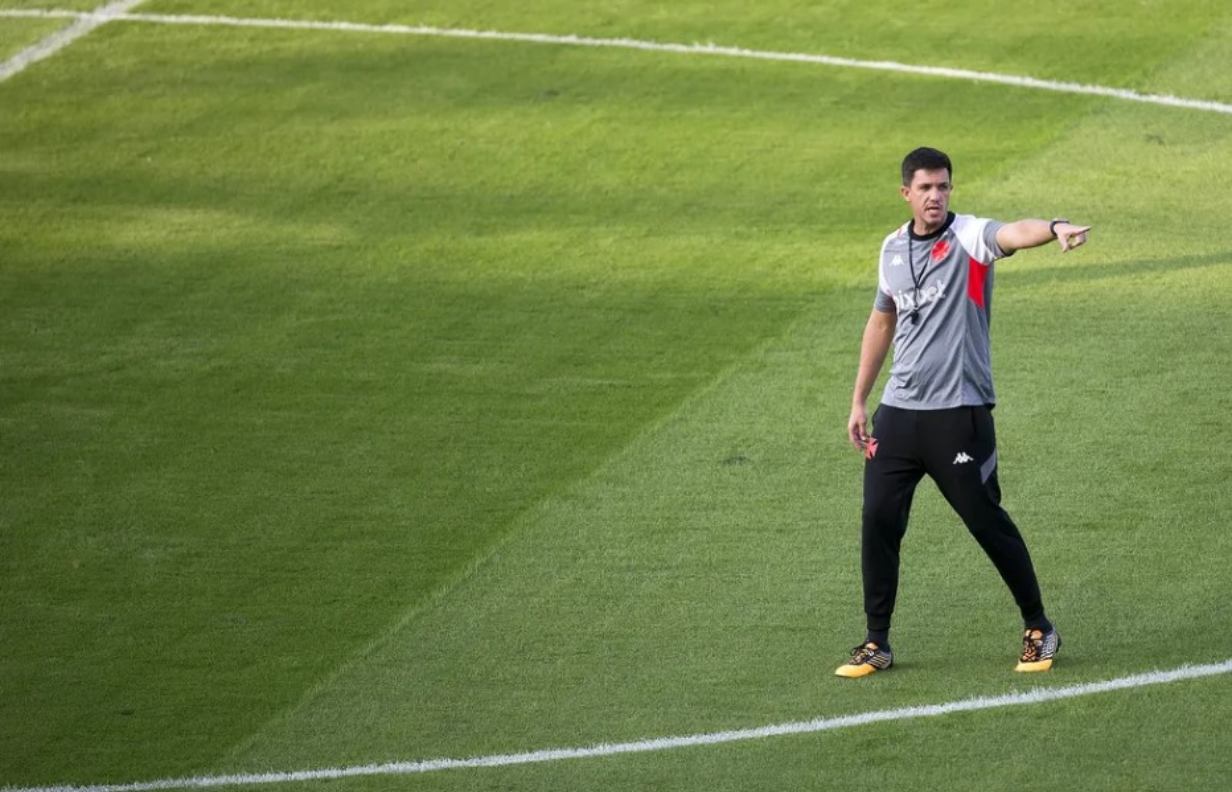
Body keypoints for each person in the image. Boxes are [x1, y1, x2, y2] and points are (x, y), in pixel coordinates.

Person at [835, 147, 1090, 678]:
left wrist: (1054, 225)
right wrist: (861, 399)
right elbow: (881, 321)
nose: (936, 196)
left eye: (943, 187)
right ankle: (875, 641)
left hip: (959, 412)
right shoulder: (891, 248)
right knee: (877, 518)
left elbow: (1012, 232)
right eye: (926, 188)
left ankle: (1039, 626)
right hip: (900, 413)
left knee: (983, 518)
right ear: (906, 192)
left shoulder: (969, 238)